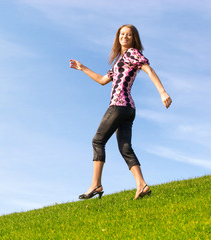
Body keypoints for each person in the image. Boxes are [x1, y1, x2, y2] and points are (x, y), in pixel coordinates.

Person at [69, 24, 172, 200]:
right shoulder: (120, 62)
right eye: (122, 34)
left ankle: (96, 184)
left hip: (119, 104)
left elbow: (148, 69)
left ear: (133, 39)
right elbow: (102, 80)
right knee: (125, 148)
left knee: (98, 141)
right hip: (128, 108)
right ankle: (142, 185)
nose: (124, 37)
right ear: (118, 37)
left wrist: (162, 92)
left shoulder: (132, 53)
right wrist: (82, 67)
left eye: (128, 35)